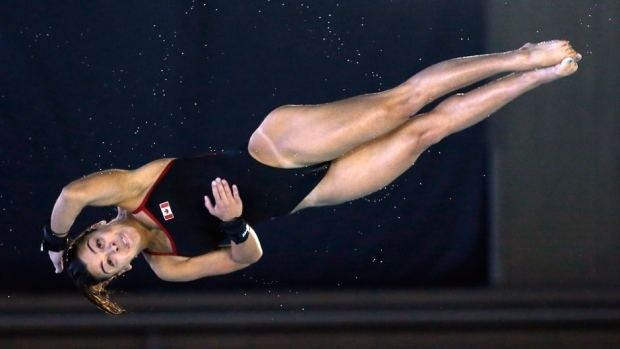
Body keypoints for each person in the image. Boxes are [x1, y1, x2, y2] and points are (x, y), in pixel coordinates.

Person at [42, 41, 581, 314]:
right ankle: (538, 76)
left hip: (277, 150)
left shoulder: (132, 191)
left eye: (98, 244)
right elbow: (245, 257)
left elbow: (71, 194)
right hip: (313, 192)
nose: (113, 248)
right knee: (424, 132)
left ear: (92, 230)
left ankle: (519, 54)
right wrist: (233, 226)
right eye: (110, 261)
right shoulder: (168, 267)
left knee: (403, 102)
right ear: (122, 269)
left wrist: (54, 241)